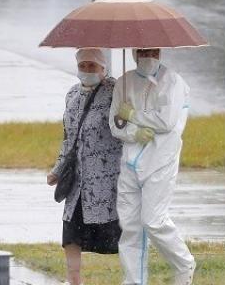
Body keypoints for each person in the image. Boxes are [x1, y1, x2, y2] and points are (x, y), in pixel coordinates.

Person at [110, 48, 196, 285]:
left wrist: (134, 115)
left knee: (153, 221)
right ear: (135, 53)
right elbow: (114, 123)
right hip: (130, 162)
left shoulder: (173, 82)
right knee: (130, 228)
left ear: (160, 52)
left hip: (161, 160)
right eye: (143, 51)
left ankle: (184, 263)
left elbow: (166, 121)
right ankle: (133, 281)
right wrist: (132, 132)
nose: (148, 56)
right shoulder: (123, 83)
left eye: (153, 51)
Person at [48, 48, 123, 285]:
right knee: (71, 232)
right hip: (78, 180)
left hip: (107, 180)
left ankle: (133, 277)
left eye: (93, 66)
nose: (88, 70)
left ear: (103, 68)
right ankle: (74, 280)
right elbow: (68, 138)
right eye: (83, 66)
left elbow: (125, 128)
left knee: (118, 234)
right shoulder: (72, 94)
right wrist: (57, 170)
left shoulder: (116, 91)